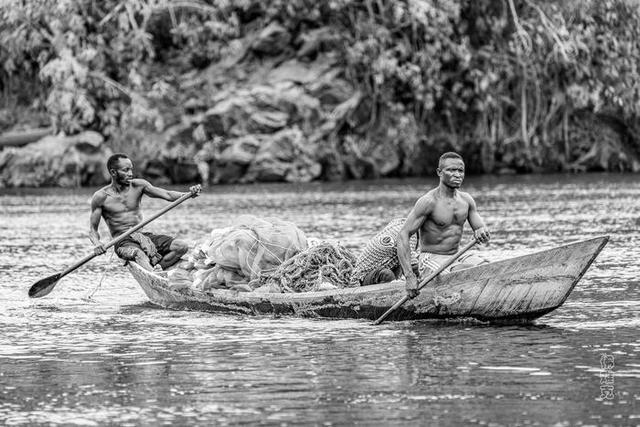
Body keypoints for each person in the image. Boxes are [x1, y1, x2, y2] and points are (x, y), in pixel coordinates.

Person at [397, 152, 491, 298]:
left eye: (460, 171)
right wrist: (409, 276)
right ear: (439, 173)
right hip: (432, 258)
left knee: (488, 266)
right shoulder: (428, 202)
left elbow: (482, 231)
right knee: (467, 270)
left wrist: (482, 233)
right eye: (451, 170)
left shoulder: (467, 200)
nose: (457, 175)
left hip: (457, 255)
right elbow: (403, 235)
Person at [89, 153, 202, 271]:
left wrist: (188, 195)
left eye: (131, 169)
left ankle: (156, 268)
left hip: (143, 236)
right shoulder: (100, 197)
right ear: (113, 172)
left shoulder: (139, 185)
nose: (130, 174)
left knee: (182, 247)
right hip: (123, 242)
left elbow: (167, 195)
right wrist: (97, 243)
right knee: (138, 254)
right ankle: (154, 273)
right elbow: (92, 230)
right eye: (125, 170)